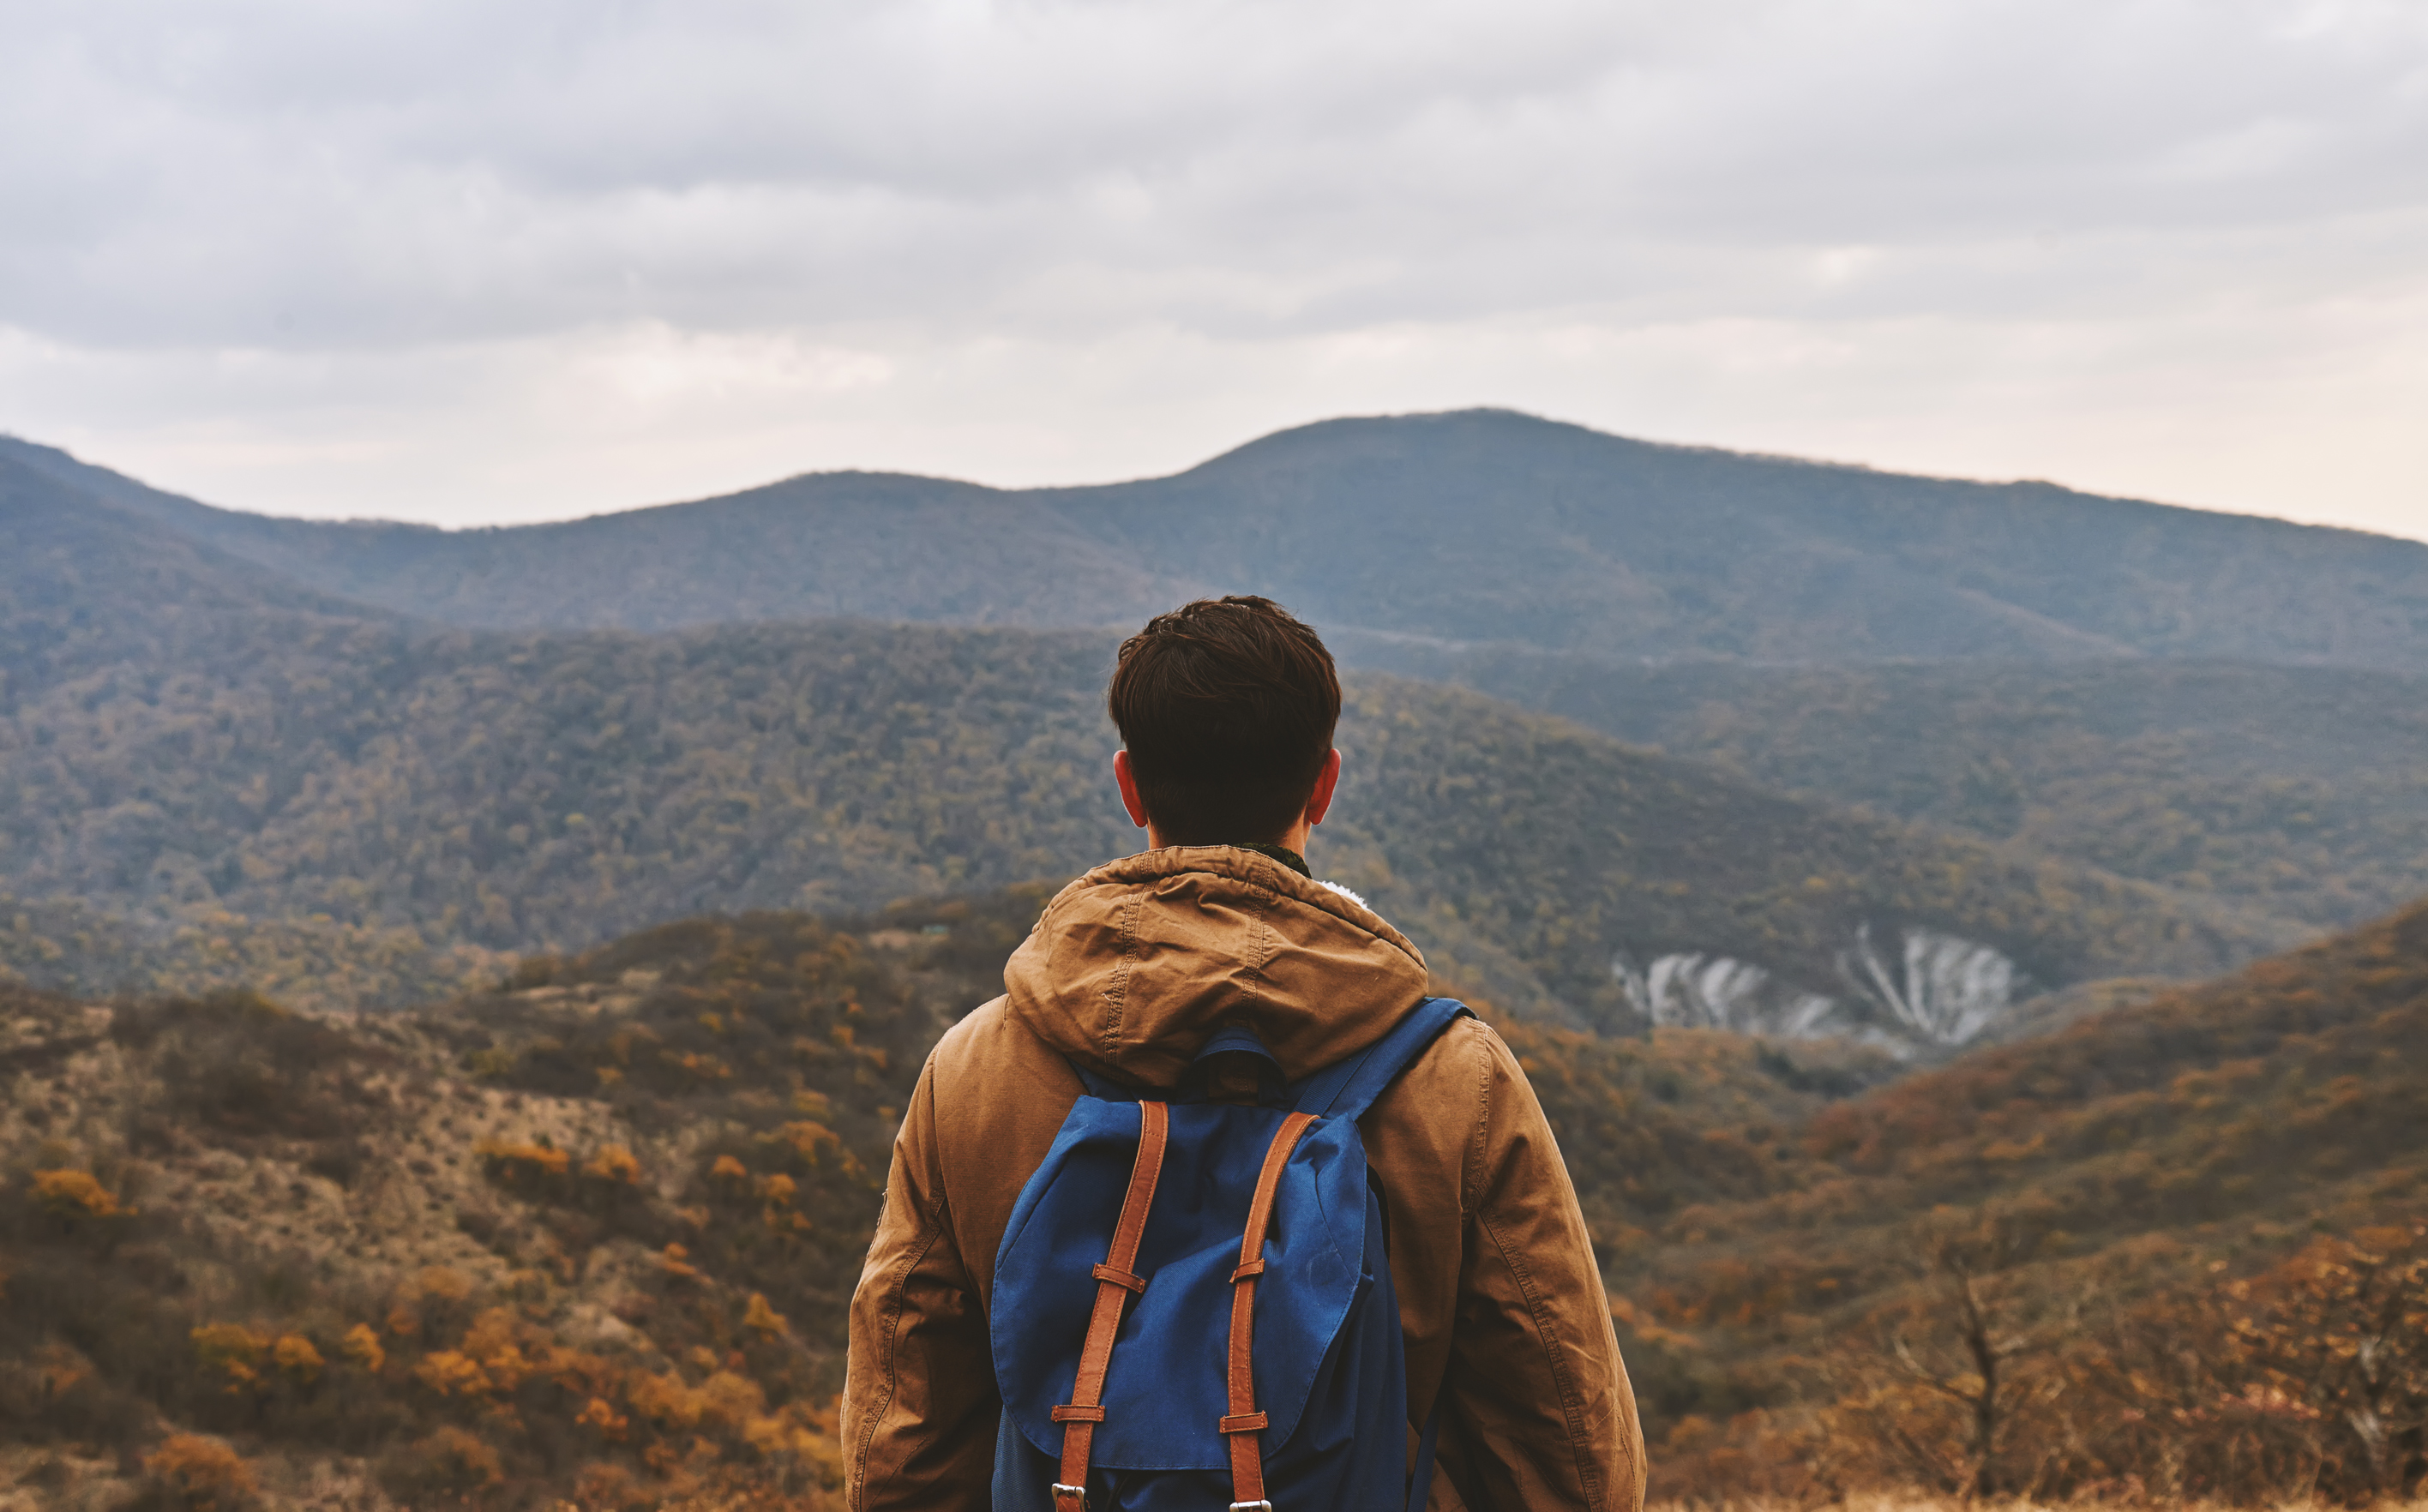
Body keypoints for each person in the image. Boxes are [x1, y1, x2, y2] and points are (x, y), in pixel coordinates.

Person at [841, 595, 1643, 1510]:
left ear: (1129, 786)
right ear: (1325, 785)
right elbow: (1572, 1455)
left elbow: (903, 1446)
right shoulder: (1456, 1080)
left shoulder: (974, 1073)